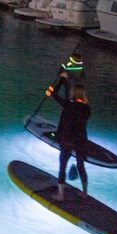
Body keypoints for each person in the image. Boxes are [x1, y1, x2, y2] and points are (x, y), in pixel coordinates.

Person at [45, 73, 90, 201]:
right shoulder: (87, 109)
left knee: (63, 166)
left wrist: (62, 79)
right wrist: (65, 82)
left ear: (73, 94)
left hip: (67, 140)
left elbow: (54, 93)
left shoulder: (68, 105)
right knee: (80, 166)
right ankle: (85, 193)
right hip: (80, 140)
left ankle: (61, 195)